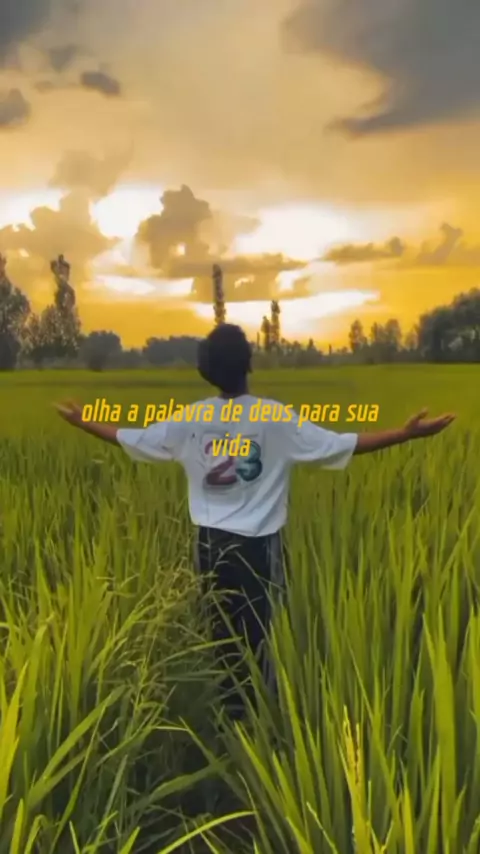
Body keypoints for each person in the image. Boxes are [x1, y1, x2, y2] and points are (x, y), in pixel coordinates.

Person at [55, 323, 455, 718]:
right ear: (248, 363)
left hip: (208, 545)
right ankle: (262, 721)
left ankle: (229, 716)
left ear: (207, 369)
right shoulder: (273, 417)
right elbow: (341, 445)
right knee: (263, 635)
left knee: (220, 633)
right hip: (257, 548)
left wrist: (83, 421)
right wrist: (405, 434)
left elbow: (132, 438)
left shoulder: (192, 418)